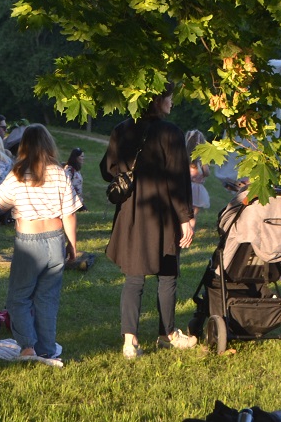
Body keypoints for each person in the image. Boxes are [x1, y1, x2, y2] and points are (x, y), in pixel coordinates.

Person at [101, 86, 198, 359]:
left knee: (134, 278)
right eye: (169, 97)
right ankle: (167, 335)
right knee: (167, 276)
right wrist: (185, 218)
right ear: (157, 100)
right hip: (163, 214)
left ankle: (129, 342)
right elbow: (178, 180)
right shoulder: (171, 133)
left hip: (131, 213)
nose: (172, 102)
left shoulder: (121, 129)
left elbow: (107, 169)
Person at [0, 125, 80, 359]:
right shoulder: (59, 172)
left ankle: (28, 346)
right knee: (47, 298)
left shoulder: (18, 173)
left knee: (18, 297)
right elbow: (69, 213)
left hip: (28, 243)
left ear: (24, 146)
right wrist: (72, 245)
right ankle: (47, 349)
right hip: (55, 240)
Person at [184, 130, 210, 219]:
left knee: (184, 212)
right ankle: (191, 226)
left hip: (185, 187)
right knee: (193, 214)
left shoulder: (184, 158)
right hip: (196, 190)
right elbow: (206, 173)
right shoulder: (202, 160)